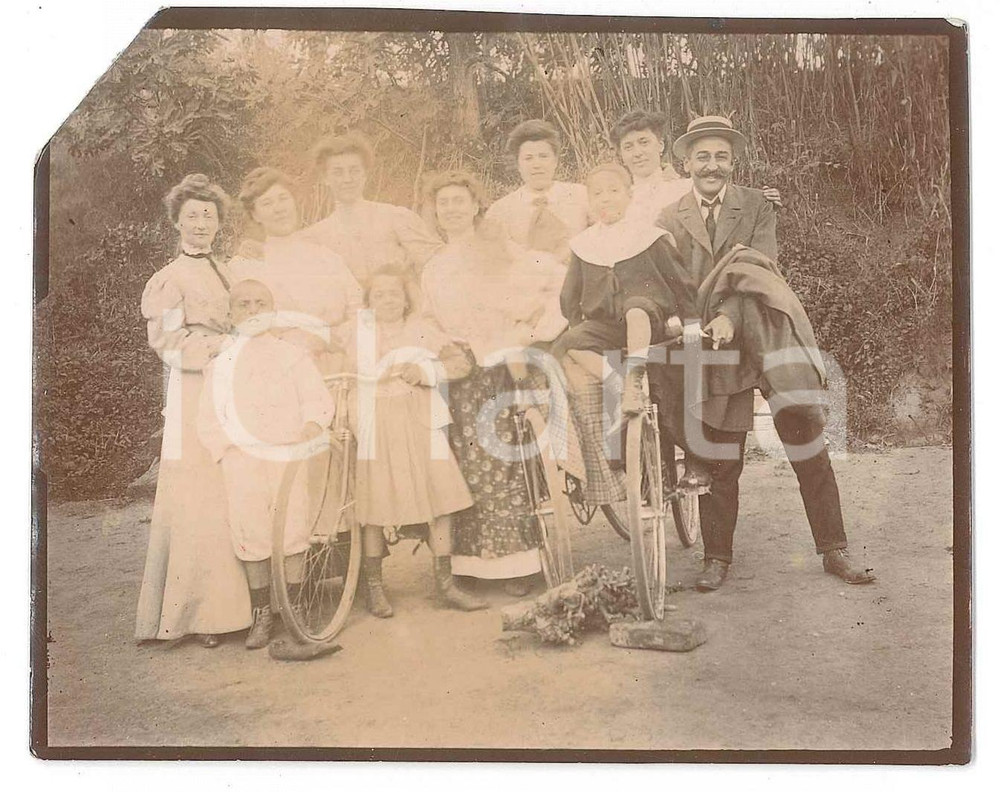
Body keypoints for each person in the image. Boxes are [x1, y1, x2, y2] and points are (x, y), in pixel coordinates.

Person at [655, 115, 876, 591]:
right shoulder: (669, 217)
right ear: (686, 162)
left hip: (765, 333)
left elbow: (759, 271)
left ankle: (834, 550)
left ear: (733, 162)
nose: (711, 165)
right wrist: (704, 321)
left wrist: (729, 317)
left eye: (721, 156)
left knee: (805, 437)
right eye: (702, 156)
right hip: (712, 346)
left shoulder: (756, 205)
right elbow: (674, 282)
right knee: (720, 454)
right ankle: (717, 558)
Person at [420, 170, 583, 596]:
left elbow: (550, 279)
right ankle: (469, 564)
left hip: (501, 365)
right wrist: (442, 346)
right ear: (434, 212)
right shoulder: (434, 266)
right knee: (465, 463)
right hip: (459, 372)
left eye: (459, 201)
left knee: (507, 460)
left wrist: (527, 329)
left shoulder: (500, 248)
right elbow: (427, 318)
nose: (452, 209)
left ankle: (518, 565)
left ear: (476, 205)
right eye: (443, 203)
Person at [135, 174, 251, 648]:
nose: (201, 223)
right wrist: (219, 349)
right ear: (177, 222)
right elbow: (166, 339)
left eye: (208, 215)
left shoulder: (229, 271)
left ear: (219, 222)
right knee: (198, 492)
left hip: (232, 383)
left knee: (233, 488)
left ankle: (242, 607)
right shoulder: (170, 278)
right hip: (195, 385)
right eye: (192, 215)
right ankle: (199, 615)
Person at [197, 280, 336, 649]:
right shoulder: (221, 364)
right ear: (231, 315)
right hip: (243, 458)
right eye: (244, 304)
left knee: (293, 529)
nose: (253, 310)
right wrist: (229, 449)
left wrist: (311, 425)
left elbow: (316, 399)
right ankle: (262, 614)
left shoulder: (292, 356)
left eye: (261, 303)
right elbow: (209, 417)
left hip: (288, 454)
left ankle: (296, 608)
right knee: (252, 533)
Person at [343, 267, 488, 616]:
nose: (387, 300)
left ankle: (445, 584)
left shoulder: (421, 329)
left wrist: (426, 372)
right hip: (377, 421)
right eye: (378, 295)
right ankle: (375, 587)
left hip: (420, 418)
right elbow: (336, 363)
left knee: (440, 497)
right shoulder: (357, 334)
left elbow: (460, 363)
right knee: (375, 505)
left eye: (394, 293)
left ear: (406, 299)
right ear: (368, 302)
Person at [230, 167, 362, 375]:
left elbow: (359, 308)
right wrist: (312, 339)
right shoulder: (246, 266)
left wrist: (340, 340)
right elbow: (250, 326)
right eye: (267, 203)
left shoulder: (327, 257)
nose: (278, 209)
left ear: (294, 202)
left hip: (343, 366)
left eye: (283, 198)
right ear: (255, 214)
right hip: (283, 371)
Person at [298, 131, 443, 284]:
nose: (347, 179)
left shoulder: (395, 218)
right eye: (338, 172)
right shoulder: (316, 237)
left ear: (365, 174)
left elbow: (438, 263)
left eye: (354, 171)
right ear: (325, 178)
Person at [611, 109, 781, 226]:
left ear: (660, 145)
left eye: (644, 142)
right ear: (621, 155)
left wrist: (763, 200)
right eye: (628, 147)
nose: (637, 153)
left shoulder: (688, 187)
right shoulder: (616, 199)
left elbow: (732, 203)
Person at [484, 119, 590, 262]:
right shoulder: (500, 211)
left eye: (543, 156)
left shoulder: (582, 196)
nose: (537, 165)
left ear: (555, 161)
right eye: (528, 158)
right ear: (518, 165)